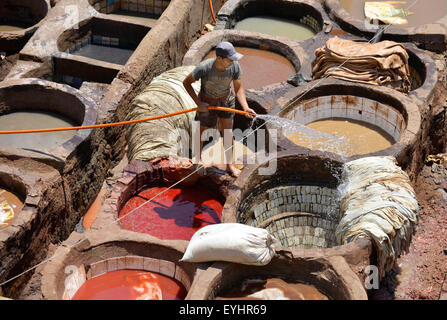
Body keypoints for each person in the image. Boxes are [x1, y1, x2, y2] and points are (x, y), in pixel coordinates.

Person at [183, 41, 256, 177]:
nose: (232, 62)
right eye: (229, 59)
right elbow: (186, 83)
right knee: (201, 132)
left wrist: (246, 107)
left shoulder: (235, 67)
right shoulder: (204, 67)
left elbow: (238, 88)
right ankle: (197, 161)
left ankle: (230, 165)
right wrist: (198, 103)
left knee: (228, 133)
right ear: (219, 58)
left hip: (226, 101)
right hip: (207, 102)